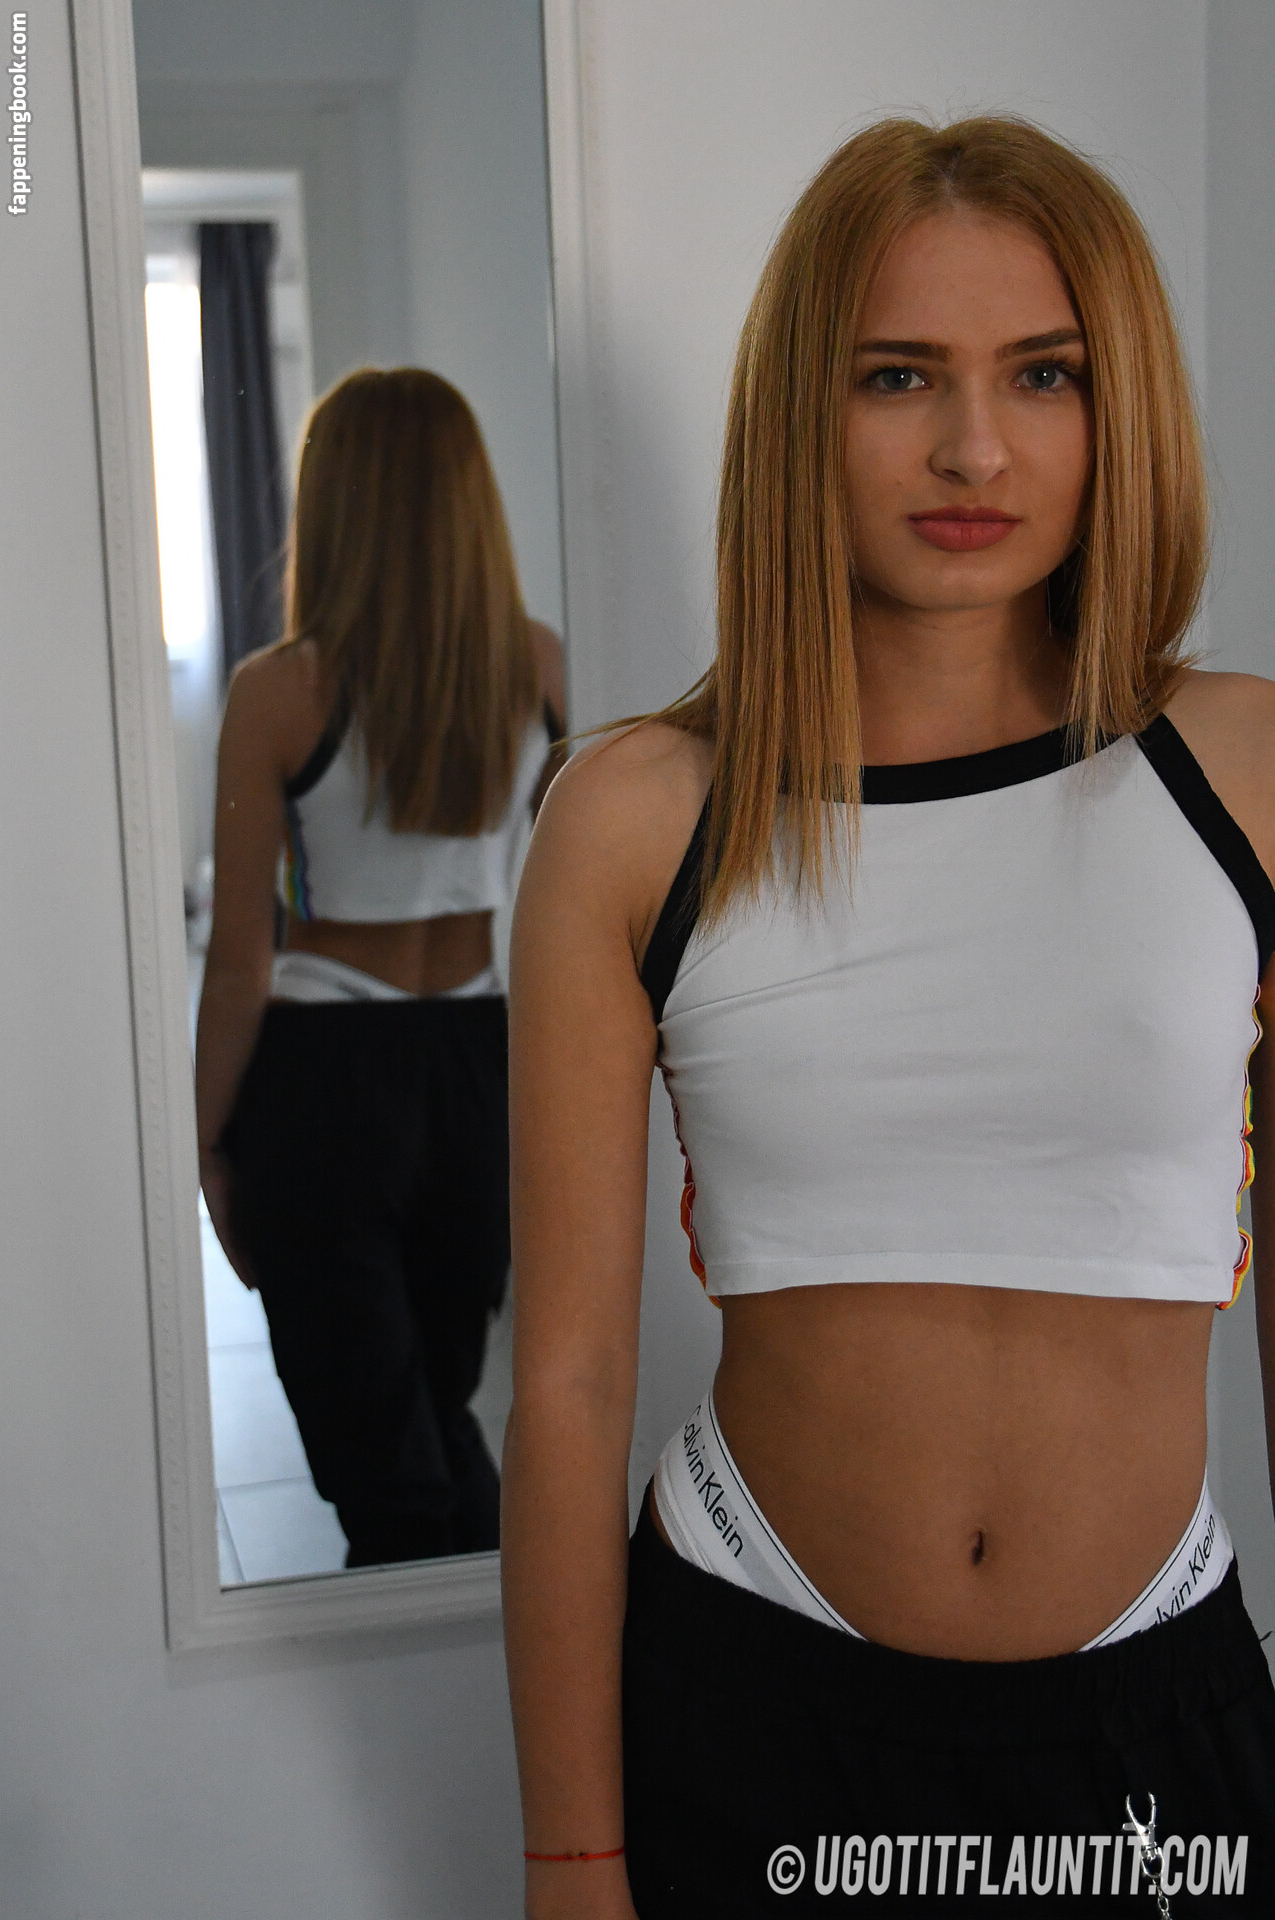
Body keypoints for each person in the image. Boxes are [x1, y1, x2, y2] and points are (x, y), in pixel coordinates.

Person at [502, 116, 1275, 1917]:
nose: (973, 448)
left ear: (1120, 408)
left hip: (1159, 1712)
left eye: (1044, 375)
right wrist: (572, 1862)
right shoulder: (637, 818)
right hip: (754, 1686)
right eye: (898, 374)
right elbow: (567, 1384)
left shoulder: (1244, 774)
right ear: (805, 411)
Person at [196, 366, 565, 1568]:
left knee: (386, 1475)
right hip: (480, 1069)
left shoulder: (277, 691)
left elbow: (240, 959)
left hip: (324, 1080)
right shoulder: (540, 667)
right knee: (437, 1424)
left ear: (332, 504)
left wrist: (202, 1144)